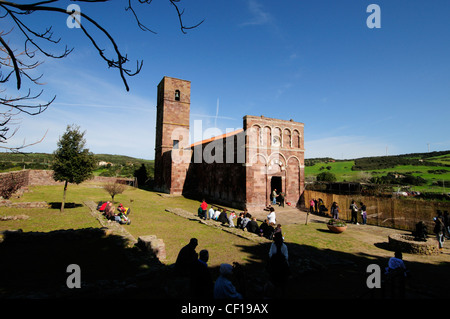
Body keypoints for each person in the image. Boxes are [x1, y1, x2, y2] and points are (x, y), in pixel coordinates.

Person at [268, 232, 290, 297]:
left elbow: (286, 257)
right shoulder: (273, 245)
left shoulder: (284, 247)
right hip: (274, 263)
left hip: (282, 264)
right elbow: (270, 254)